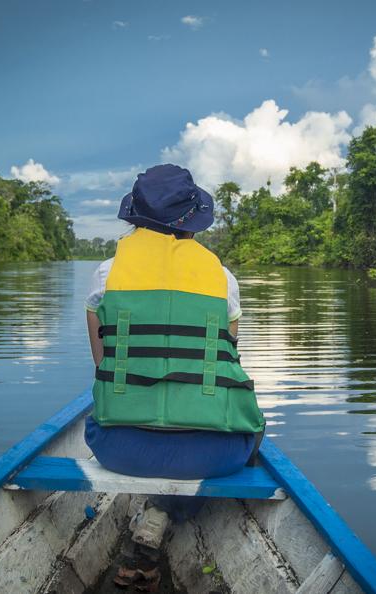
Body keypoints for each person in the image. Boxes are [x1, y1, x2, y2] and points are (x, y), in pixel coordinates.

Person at [83, 164, 264, 481]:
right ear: (193, 222)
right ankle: (172, 510)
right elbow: (227, 362)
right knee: (251, 428)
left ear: (136, 219)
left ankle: (162, 508)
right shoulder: (223, 280)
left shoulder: (105, 276)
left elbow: (102, 364)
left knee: (97, 415)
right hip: (213, 455)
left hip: (119, 449)